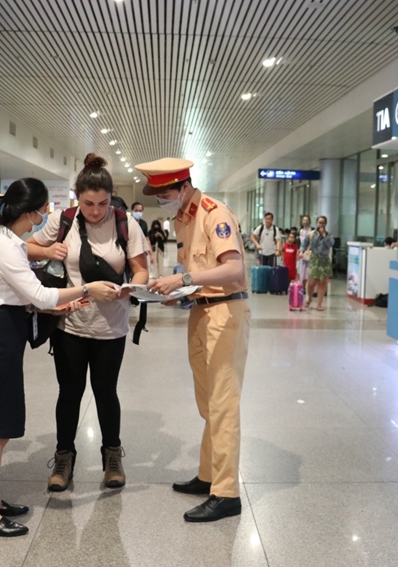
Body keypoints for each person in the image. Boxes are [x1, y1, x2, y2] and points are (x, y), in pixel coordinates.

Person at [0, 177, 117, 537]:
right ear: (31, 211)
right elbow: (38, 294)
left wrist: (59, 305)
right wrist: (85, 288)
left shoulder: (10, 242)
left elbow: (28, 296)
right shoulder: (6, 248)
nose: (44, 216)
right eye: (42, 210)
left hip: (4, 333)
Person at [27, 154, 149, 493]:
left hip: (112, 325)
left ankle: (112, 454)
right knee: (69, 392)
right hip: (70, 323)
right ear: (77, 197)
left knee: (106, 392)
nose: (95, 211)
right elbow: (29, 247)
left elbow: (140, 269)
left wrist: (130, 287)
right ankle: (64, 456)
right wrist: (51, 252)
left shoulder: (126, 223)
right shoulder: (64, 219)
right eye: (88, 203)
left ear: (111, 198)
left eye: (103, 203)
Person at [144, 157, 251, 523]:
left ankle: (226, 493)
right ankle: (208, 476)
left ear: (184, 186)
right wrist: (180, 291)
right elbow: (200, 276)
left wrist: (184, 277)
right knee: (208, 404)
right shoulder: (183, 218)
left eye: (165, 192)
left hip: (225, 314)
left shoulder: (213, 213)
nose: (162, 200)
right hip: (200, 310)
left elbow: (234, 269)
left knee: (223, 403)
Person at [303, 216, 335, 311]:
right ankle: (309, 298)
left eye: (323, 223)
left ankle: (319, 303)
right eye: (319, 222)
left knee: (322, 283)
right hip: (314, 260)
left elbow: (331, 244)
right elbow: (304, 244)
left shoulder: (329, 235)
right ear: (316, 223)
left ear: (325, 224)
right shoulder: (311, 234)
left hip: (324, 261)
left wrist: (324, 236)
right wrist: (301, 250)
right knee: (311, 282)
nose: (321, 224)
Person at [297, 215, 313, 292]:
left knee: (309, 271)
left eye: (307, 220)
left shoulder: (312, 231)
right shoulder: (300, 231)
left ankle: (309, 288)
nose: (305, 222)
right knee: (302, 270)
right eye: (304, 220)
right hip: (302, 253)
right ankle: (302, 287)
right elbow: (299, 243)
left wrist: (308, 249)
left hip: (310, 252)